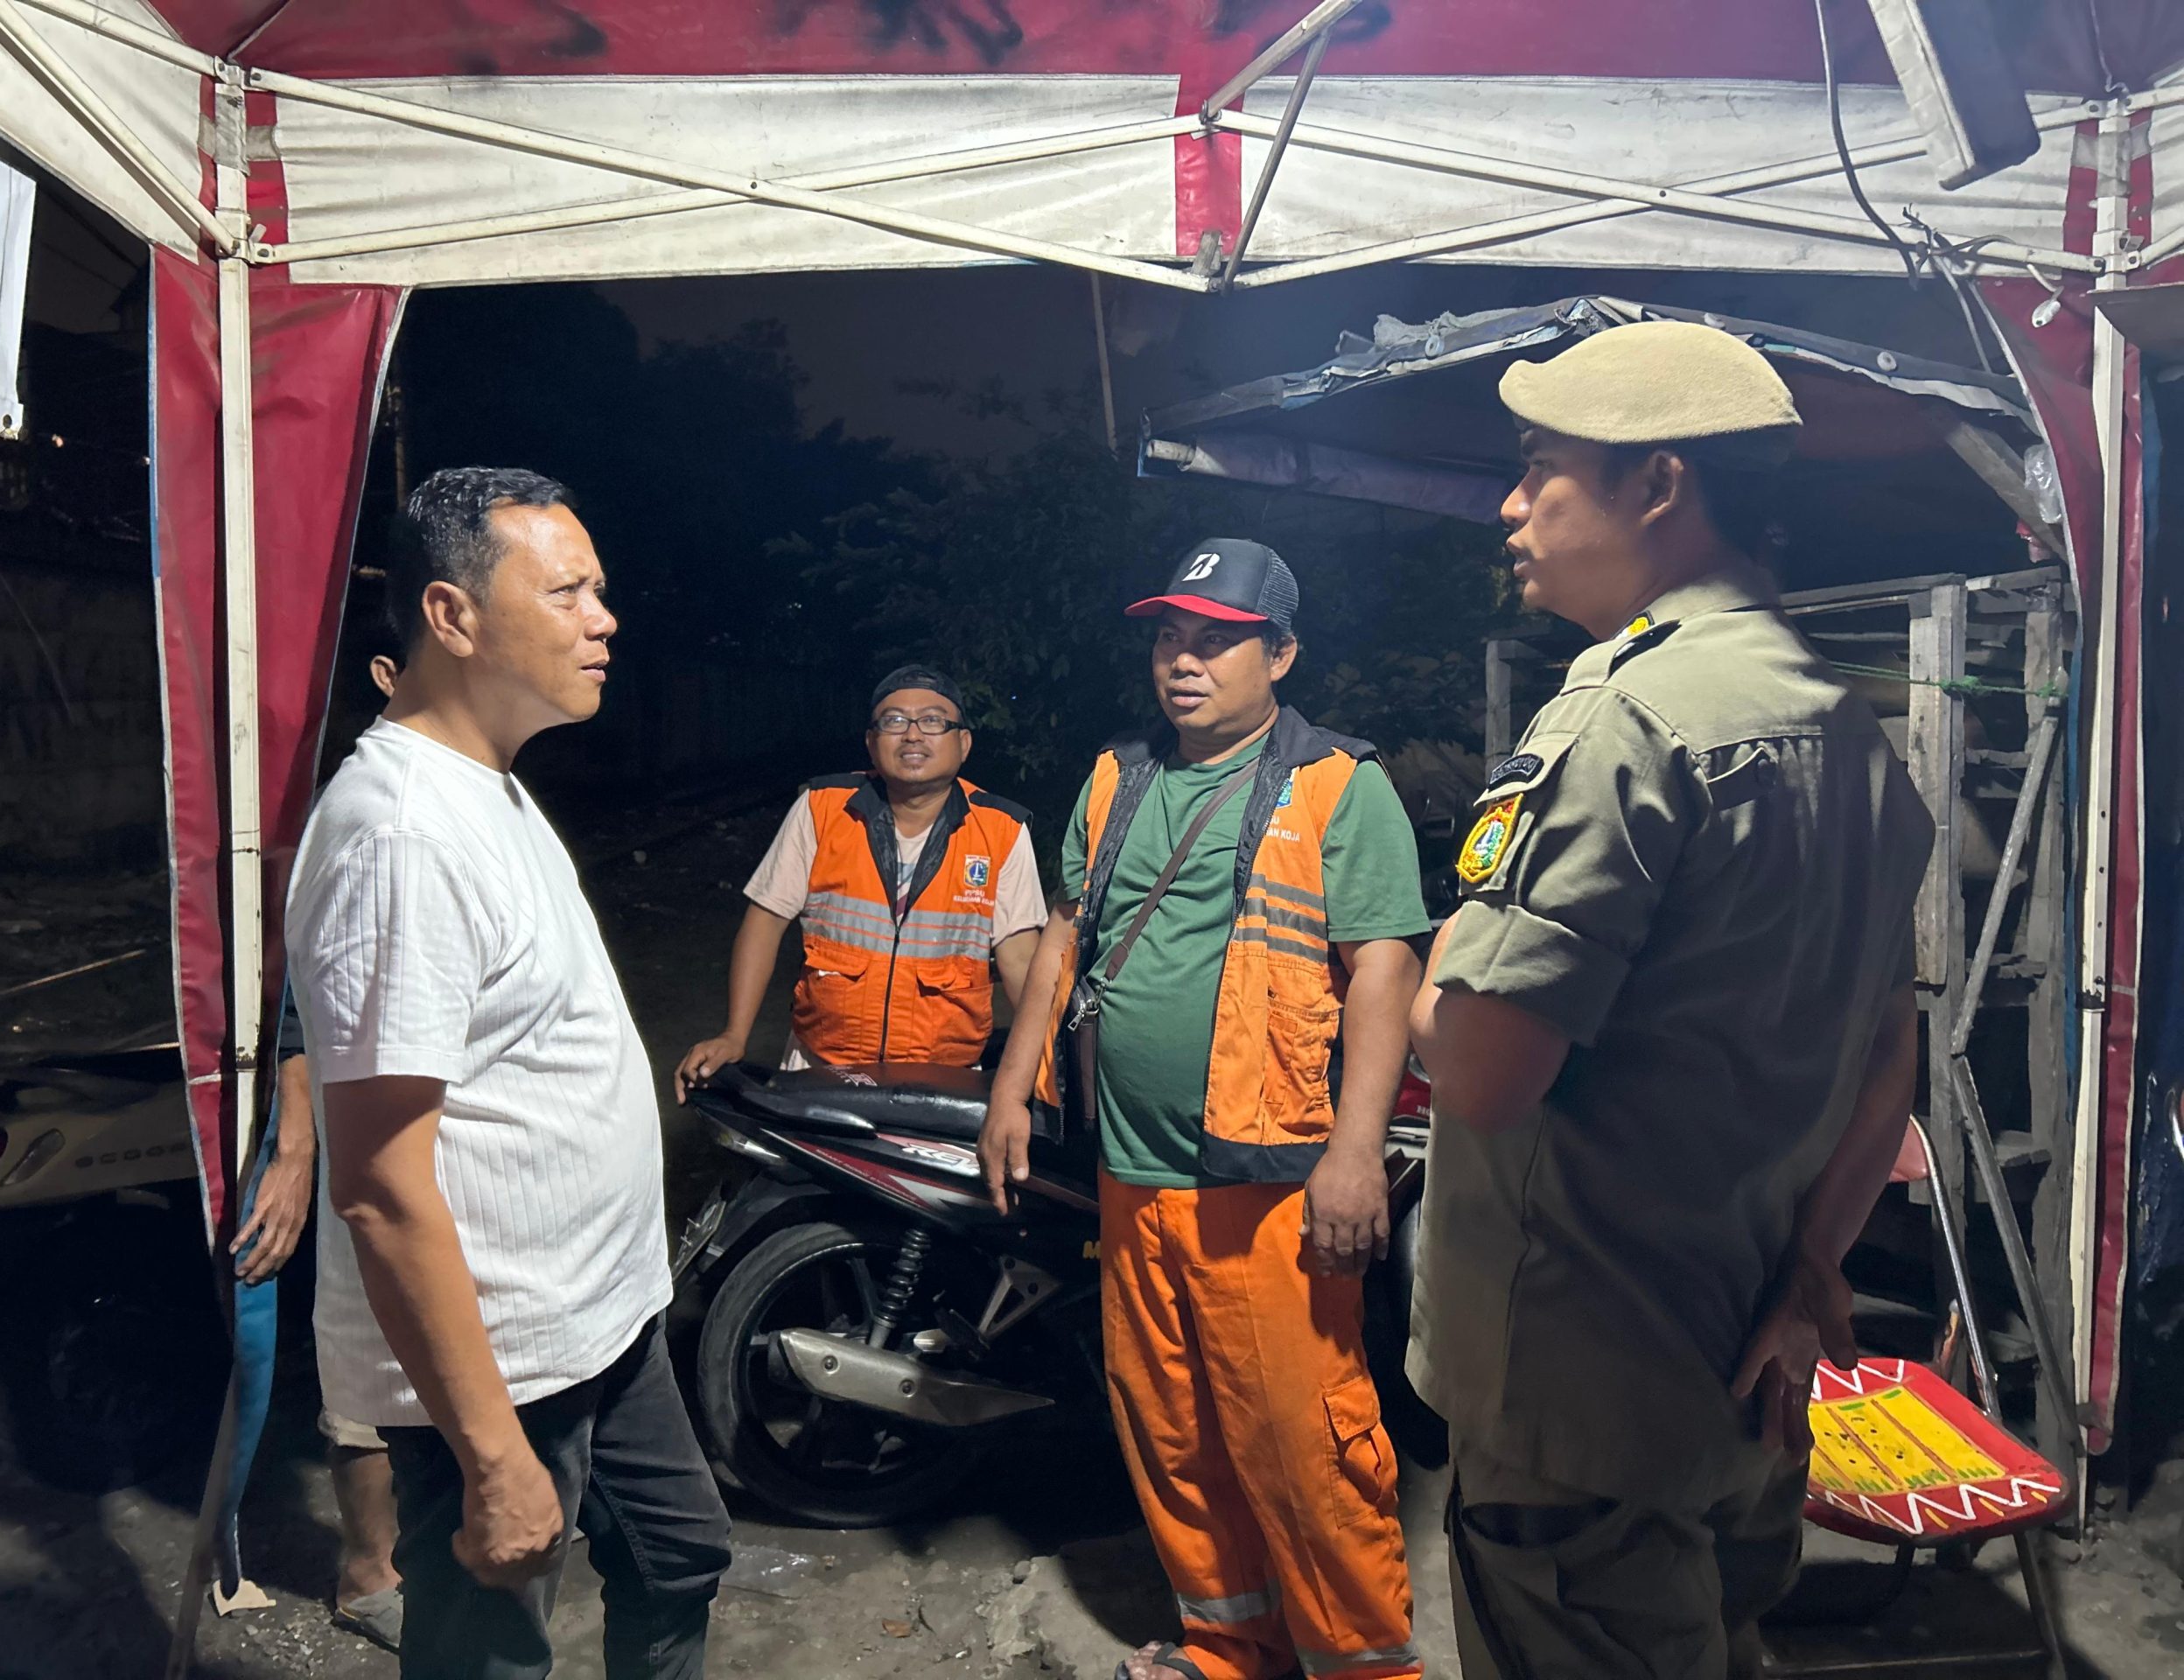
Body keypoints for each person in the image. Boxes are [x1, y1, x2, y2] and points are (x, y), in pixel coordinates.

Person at [1406, 321, 1935, 1680]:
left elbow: (1478, 1074)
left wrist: (1439, 972)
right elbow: (1892, 1050)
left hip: (1582, 1395)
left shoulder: (1624, 723)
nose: (1511, 506)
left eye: (1539, 467)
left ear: (1657, 483)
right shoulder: (1851, 733)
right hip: (1745, 1367)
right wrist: (1814, 1272)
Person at [285, 466, 731, 1680]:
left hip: (599, 1319)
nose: (605, 620)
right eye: (569, 592)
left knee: (679, 1556)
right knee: (488, 1652)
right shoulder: (401, 836)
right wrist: (491, 1458)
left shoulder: (486, 786)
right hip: (503, 1359)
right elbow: (381, 1188)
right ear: (453, 614)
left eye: (601, 590)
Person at [979, 540, 1429, 1680]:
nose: (1183, 661)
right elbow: (1066, 939)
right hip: (1131, 1173)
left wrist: (1356, 1155)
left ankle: (1365, 1668)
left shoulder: (1338, 785)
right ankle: (1229, 1647)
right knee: (1172, 1429)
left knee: (1305, 1447)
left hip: (1267, 1180)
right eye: (1170, 638)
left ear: (1280, 655)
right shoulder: (1114, 776)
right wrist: (1013, 1090)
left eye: (1217, 641)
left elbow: (1384, 967)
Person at [228, 636, 410, 1652]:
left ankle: (420, 1547)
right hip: (359, 1125)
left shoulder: (469, 792)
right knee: (367, 1347)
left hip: (430, 1123)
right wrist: (294, 1154)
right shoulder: (359, 807)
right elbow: (297, 1001)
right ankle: (368, 1575)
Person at [676, 665, 1043, 1090]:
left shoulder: (1001, 830)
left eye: (932, 721)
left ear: (963, 744)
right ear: (871, 743)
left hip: (945, 1080)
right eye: (894, 721)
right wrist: (734, 1034)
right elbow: (765, 922)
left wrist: (1045, 1065)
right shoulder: (822, 809)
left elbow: (1021, 959)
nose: (912, 735)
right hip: (819, 1067)